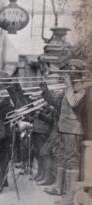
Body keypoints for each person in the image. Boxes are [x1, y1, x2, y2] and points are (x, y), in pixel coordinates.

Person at [42, 59, 87, 205]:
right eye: (69, 69)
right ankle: (58, 188)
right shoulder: (71, 87)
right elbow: (58, 105)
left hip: (73, 129)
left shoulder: (82, 88)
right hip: (63, 128)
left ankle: (69, 197)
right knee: (62, 158)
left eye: (73, 69)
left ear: (78, 72)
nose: (69, 72)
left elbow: (74, 103)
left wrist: (68, 86)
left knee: (72, 161)